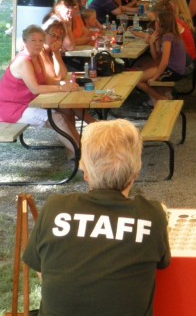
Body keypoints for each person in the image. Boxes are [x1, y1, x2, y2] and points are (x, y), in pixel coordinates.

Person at [23, 119, 170, 316]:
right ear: (136, 171)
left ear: (84, 173)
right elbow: (162, 263)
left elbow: (41, 270)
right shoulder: (152, 216)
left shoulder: (55, 208)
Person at [0, 25, 83, 156]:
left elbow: (48, 82)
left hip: (28, 103)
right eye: (33, 40)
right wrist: (62, 88)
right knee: (58, 118)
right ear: (24, 42)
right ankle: (81, 156)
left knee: (65, 110)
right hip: (13, 108)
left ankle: (79, 151)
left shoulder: (37, 57)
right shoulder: (23, 61)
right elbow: (35, 89)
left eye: (40, 40)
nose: (38, 44)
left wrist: (67, 85)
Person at [136, 9, 187, 106]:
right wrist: (152, 42)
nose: (155, 24)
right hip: (172, 68)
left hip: (173, 70)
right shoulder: (168, 35)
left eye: (157, 22)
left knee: (137, 80)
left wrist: (155, 78)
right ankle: (160, 97)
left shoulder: (168, 37)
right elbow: (156, 58)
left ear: (163, 24)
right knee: (142, 69)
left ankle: (160, 98)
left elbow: (164, 61)